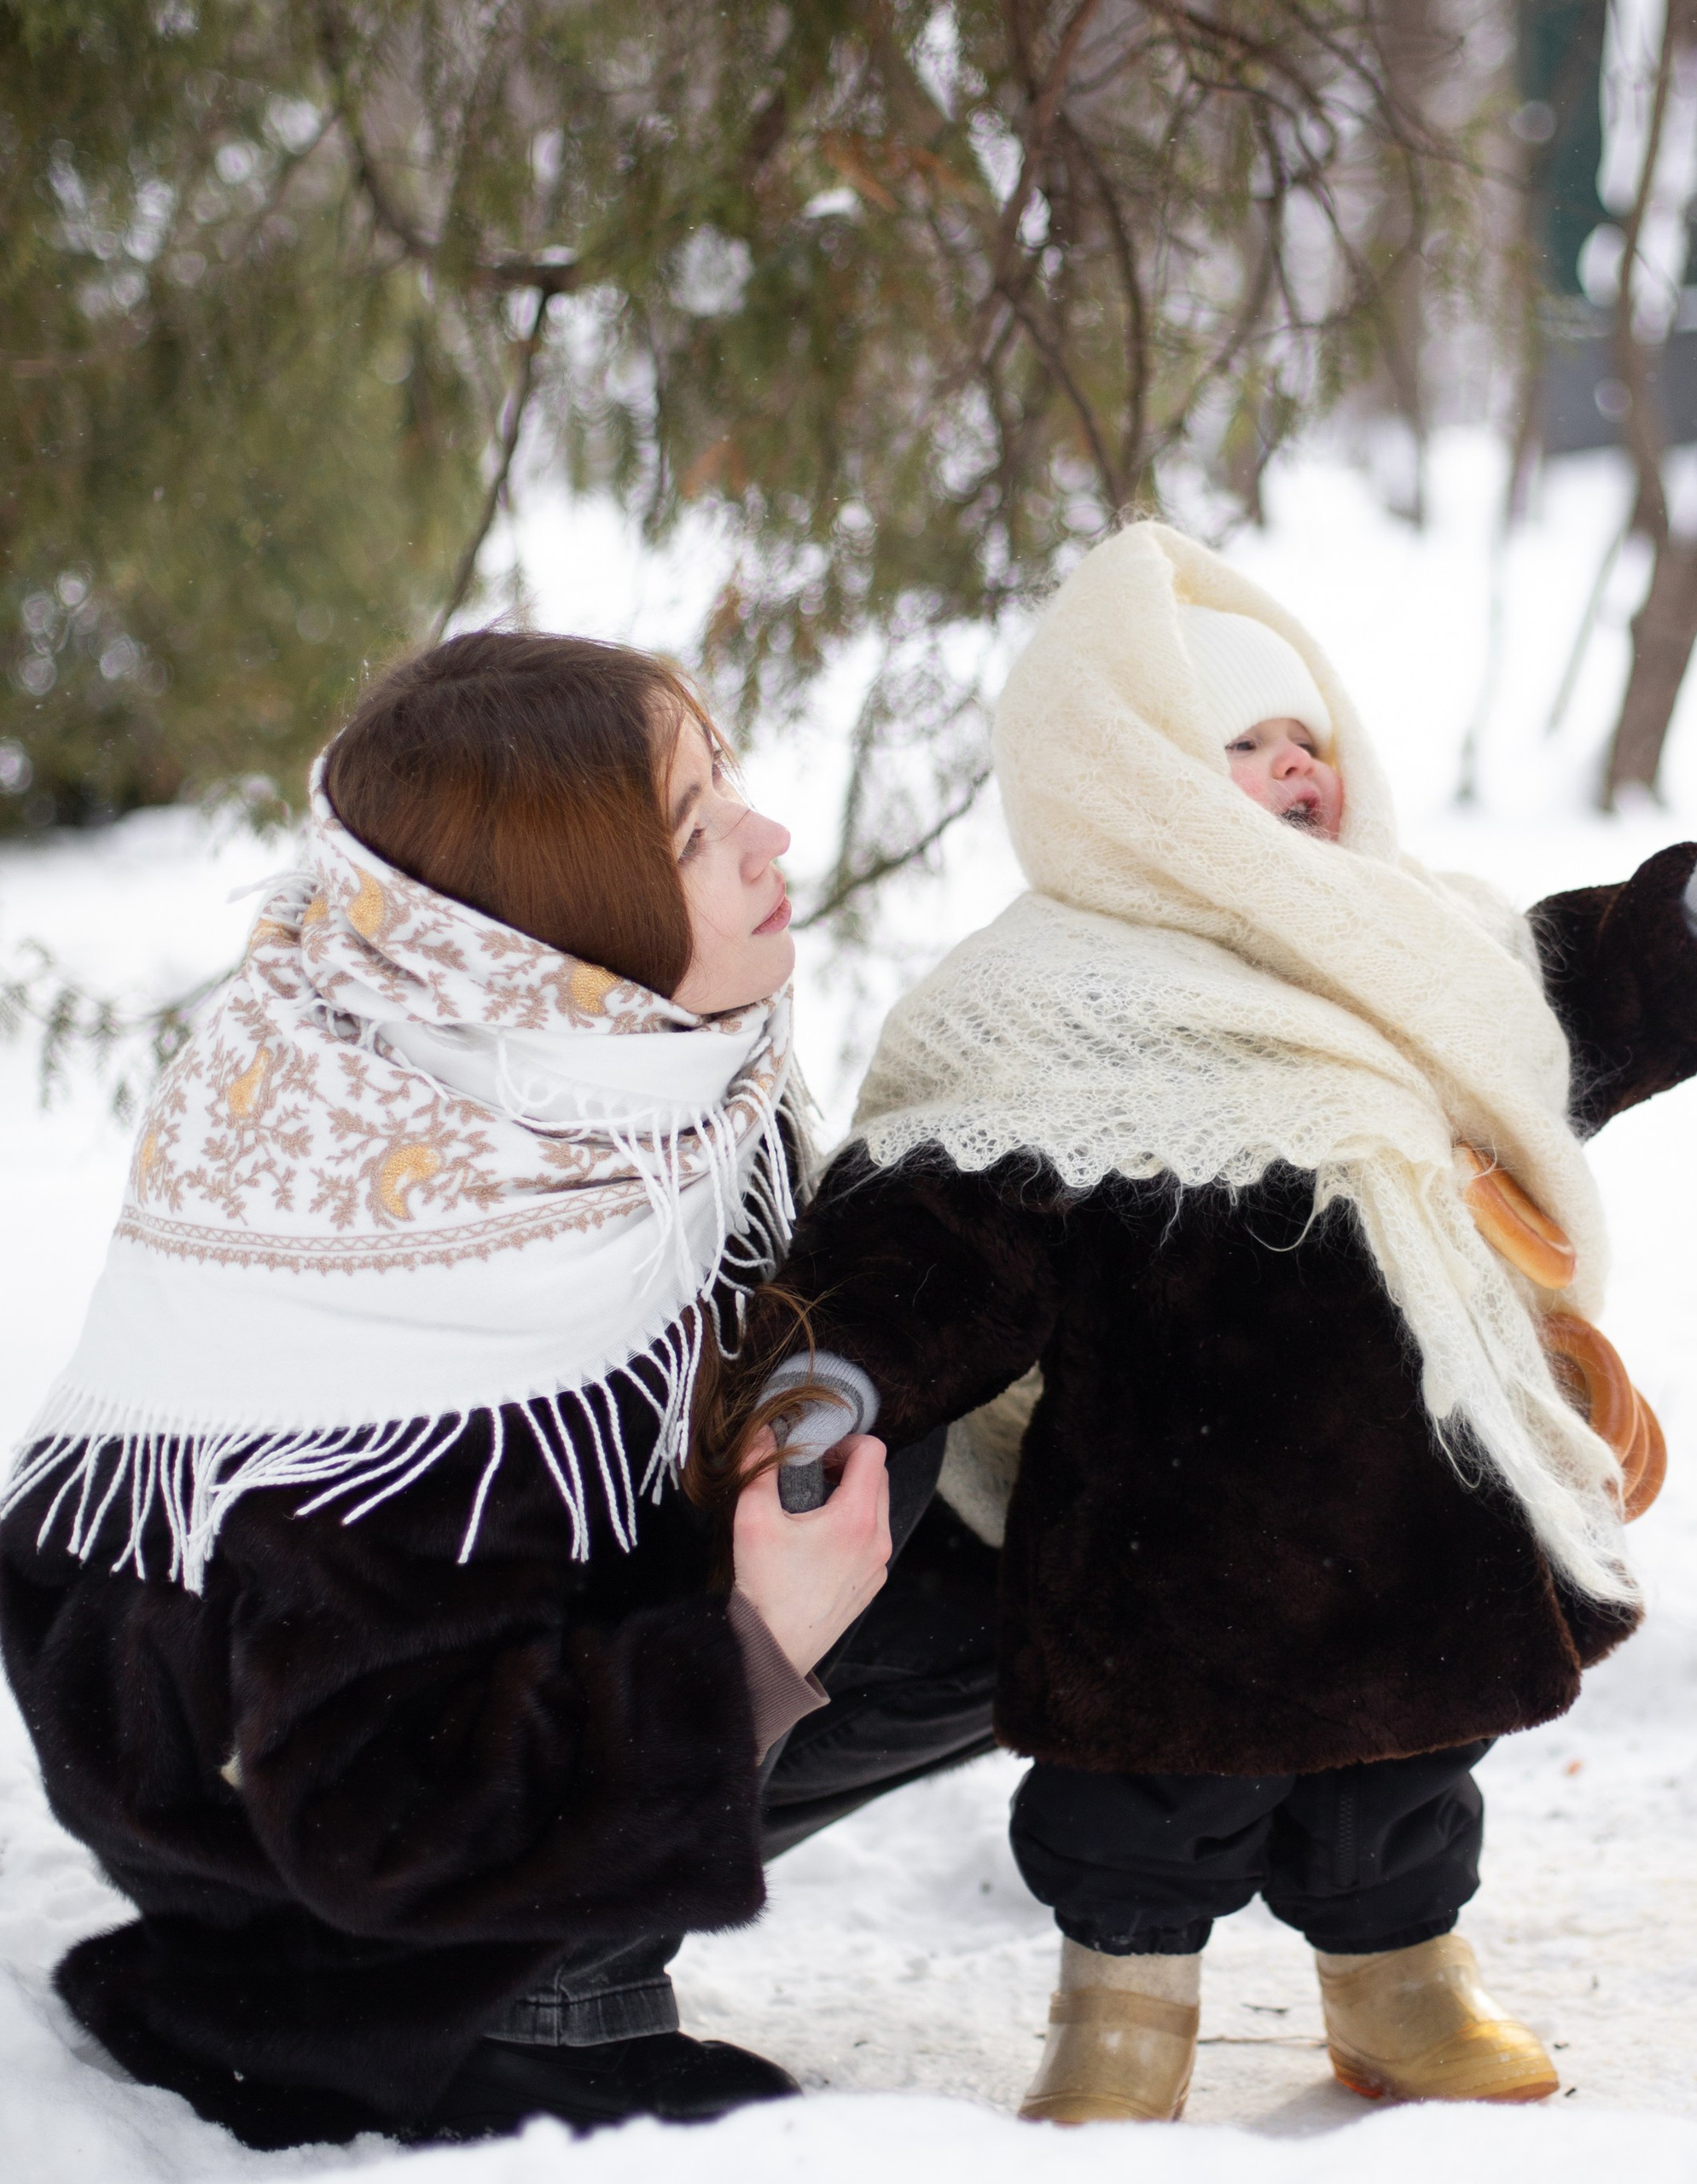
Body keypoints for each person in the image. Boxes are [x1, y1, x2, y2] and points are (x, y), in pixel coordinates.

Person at [729, 523, 1697, 2122]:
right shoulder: (1049, 999)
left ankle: (1405, 1984)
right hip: (1166, 1521)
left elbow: (1558, 1009)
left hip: (1415, 1503)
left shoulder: (1411, 943)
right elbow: (942, 1228)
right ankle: (1123, 2011)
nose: (1293, 771)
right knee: (1147, 1789)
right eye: (1238, 747)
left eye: (1304, 740)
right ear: (1132, 779)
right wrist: (846, 1365)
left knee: (1409, 1765)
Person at [0, 632, 999, 2148]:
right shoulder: (407, 1324)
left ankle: (585, 1909)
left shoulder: (568, 1067)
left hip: (451, 1693)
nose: (767, 837)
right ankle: (535, 2008)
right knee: (849, 1455)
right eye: (688, 829)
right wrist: (757, 1641)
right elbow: (370, 1815)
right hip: (341, 1879)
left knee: (1024, 1557)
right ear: (547, 922)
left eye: (724, 781)